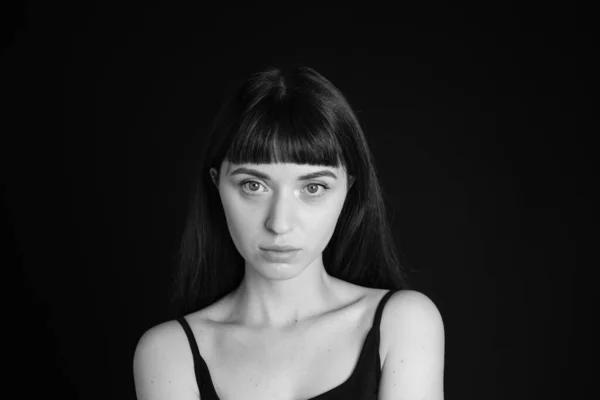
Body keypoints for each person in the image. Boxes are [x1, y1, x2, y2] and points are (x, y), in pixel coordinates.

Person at [133, 64, 445, 399]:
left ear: (348, 189)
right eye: (253, 185)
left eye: (313, 188)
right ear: (216, 185)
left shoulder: (404, 323)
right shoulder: (169, 352)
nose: (279, 223)